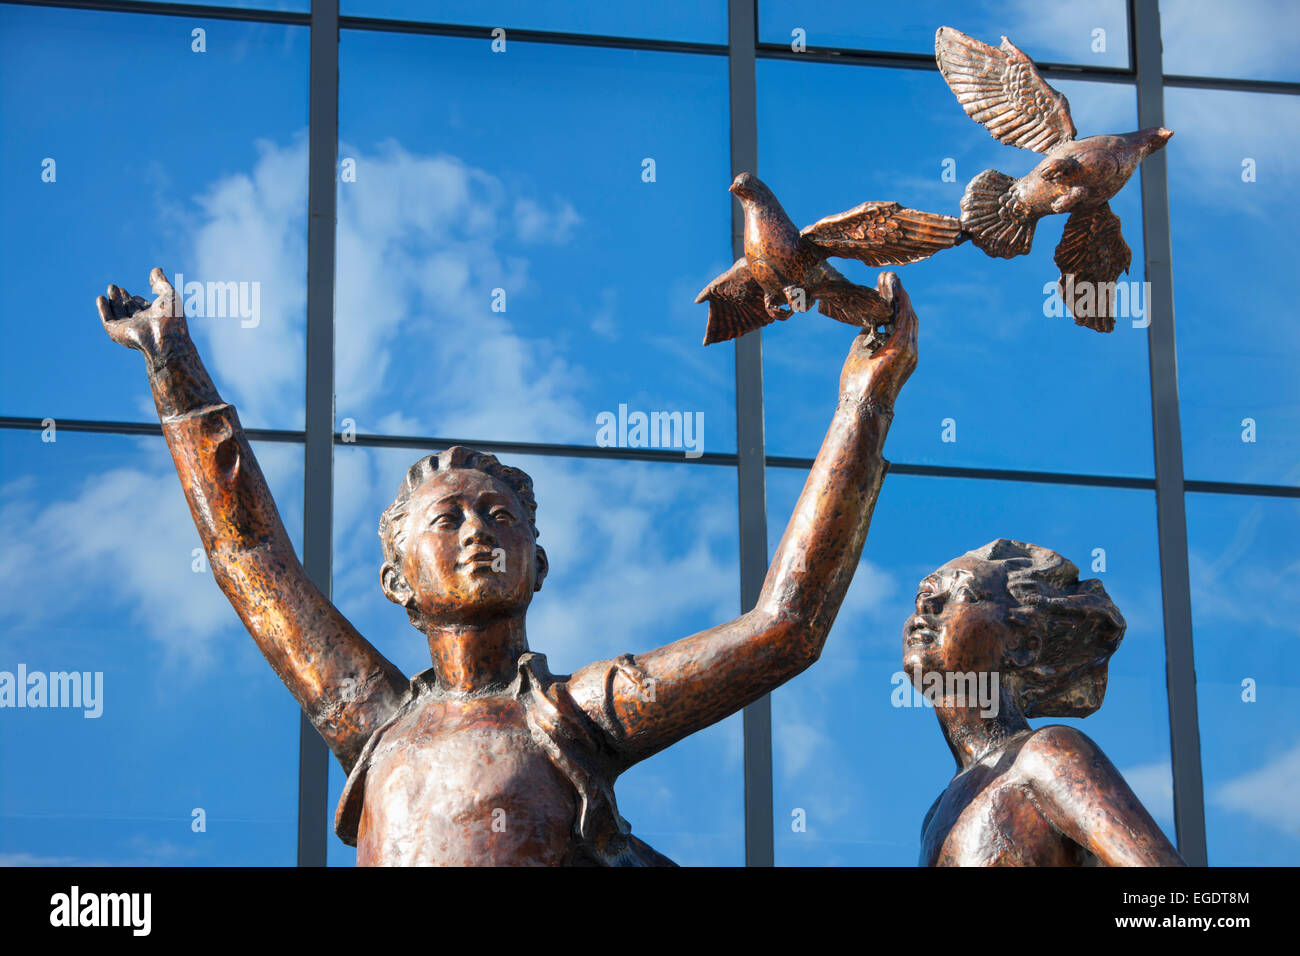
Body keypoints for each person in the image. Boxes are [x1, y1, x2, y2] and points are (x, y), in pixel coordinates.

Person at [97, 266, 918, 866]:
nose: (477, 533)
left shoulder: (574, 717)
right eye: (445, 520)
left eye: (500, 517)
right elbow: (248, 557)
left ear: (539, 563)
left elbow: (784, 630)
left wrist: (862, 404)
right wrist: (171, 364)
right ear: (397, 582)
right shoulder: (372, 717)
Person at [905, 538, 1186, 866]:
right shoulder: (937, 815)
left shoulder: (1047, 754)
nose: (927, 605)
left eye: (965, 594)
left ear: (1022, 645)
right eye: (923, 595)